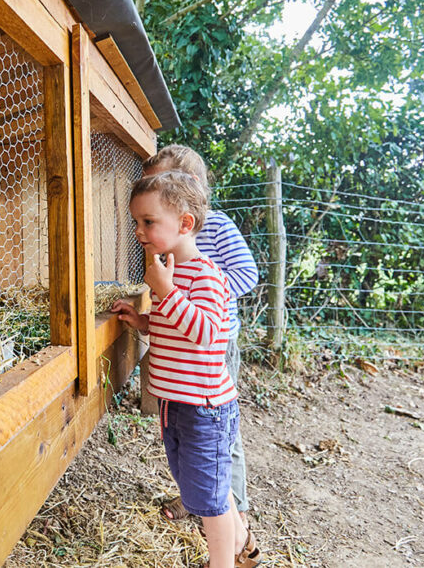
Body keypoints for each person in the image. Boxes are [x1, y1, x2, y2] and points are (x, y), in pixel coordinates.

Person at [111, 171, 259, 568]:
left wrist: (166, 292)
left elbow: (208, 333)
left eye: (148, 222)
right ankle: (242, 540)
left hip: (204, 409)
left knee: (208, 502)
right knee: (200, 485)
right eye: (137, 222)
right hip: (176, 404)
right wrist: (142, 321)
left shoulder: (206, 275)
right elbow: (175, 328)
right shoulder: (170, 270)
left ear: (185, 223)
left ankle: (223, 562)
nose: (139, 231)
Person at [141, 145, 259, 529]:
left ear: (186, 186)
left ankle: (233, 509)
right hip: (182, 332)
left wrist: (200, 291)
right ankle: (201, 497)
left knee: (219, 437)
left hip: (213, 343)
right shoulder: (165, 236)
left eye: (159, 181)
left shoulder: (218, 228)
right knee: (192, 440)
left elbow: (246, 274)